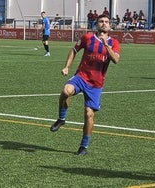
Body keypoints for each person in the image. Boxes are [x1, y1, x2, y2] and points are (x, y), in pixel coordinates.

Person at [50, 14, 120, 155]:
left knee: (88, 115)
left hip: (96, 84)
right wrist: (67, 67)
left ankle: (84, 146)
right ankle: (61, 118)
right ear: (96, 24)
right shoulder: (87, 37)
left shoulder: (114, 43)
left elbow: (116, 60)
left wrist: (106, 45)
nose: (104, 24)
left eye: (106, 22)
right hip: (81, 77)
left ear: (110, 25)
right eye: (101, 21)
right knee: (66, 91)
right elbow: (74, 50)